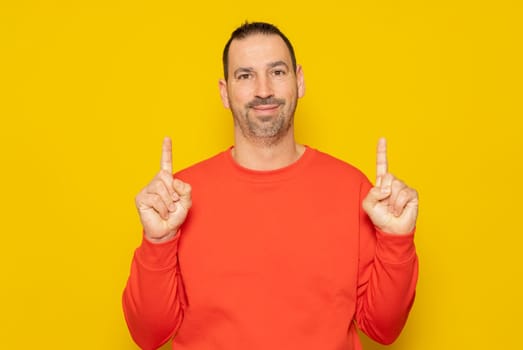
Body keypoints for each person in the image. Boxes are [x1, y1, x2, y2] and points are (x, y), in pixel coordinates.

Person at [122, 22, 419, 350]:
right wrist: (158, 240)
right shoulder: (179, 198)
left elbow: (384, 329)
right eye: (245, 76)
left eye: (277, 72)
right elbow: (148, 335)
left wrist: (397, 240)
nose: (263, 90)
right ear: (224, 92)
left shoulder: (354, 190)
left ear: (299, 81)